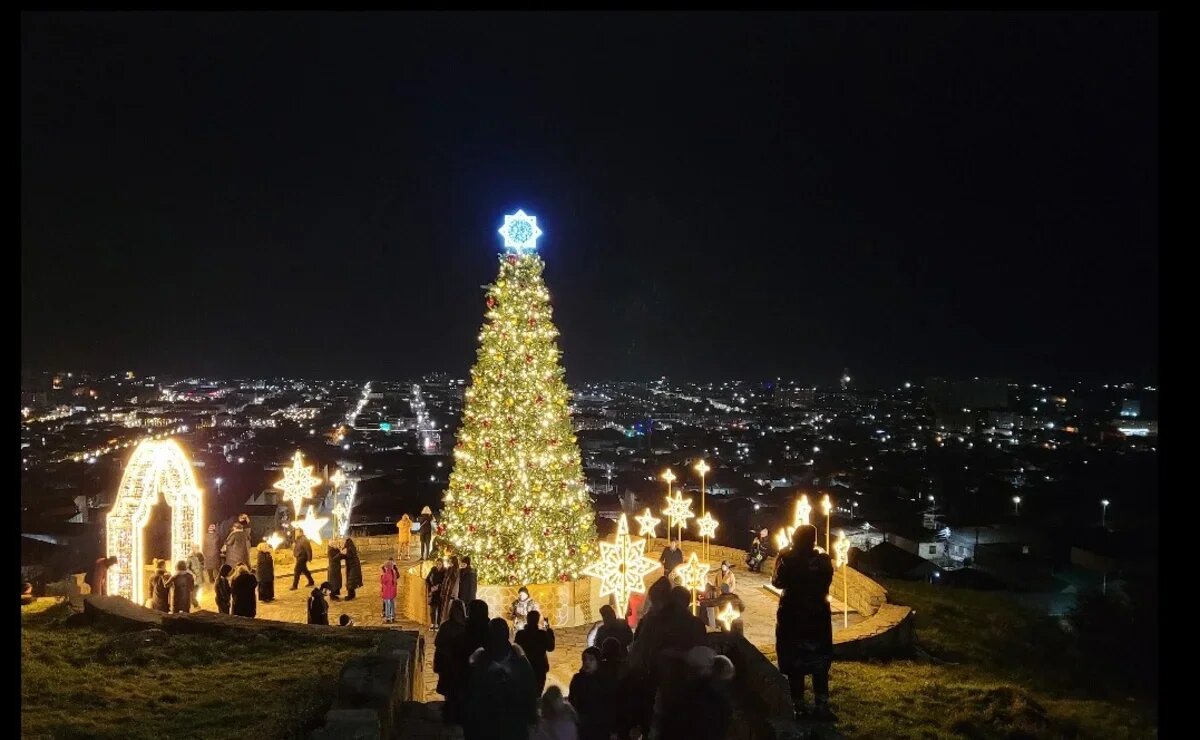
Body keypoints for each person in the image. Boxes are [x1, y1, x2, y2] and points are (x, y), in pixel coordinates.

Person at [773, 523, 836, 721]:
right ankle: (821, 704)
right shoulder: (823, 560)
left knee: (795, 663)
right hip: (818, 617)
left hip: (794, 618)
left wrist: (780, 557)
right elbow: (827, 579)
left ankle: (798, 705)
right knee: (819, 663)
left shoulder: (788, 559)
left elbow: (777, 582)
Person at [463, 618, 538, 740]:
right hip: (488, 726)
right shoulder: (479, 660)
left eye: (499, 634)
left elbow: (529, 689)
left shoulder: (518, 659)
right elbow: (471, 695)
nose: (497, 639)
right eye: (495, 635)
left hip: (512, 726)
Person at [434, 599, 468, 721]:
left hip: (452, 664)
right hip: (453, 664)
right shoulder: (463, 627)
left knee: (452, 691)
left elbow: (438, 642)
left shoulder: (448, 626)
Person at [568, 647, 608, 740]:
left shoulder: (603, 680)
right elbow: (572, 699)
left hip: (599, 725)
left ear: (598, 662)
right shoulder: (577, 679)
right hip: (581, 724)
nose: (587, 662)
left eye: (591, 659)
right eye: (584, 659)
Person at [514, 609, 555, 697]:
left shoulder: (520, 634)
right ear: (537, 620)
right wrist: (549, 631)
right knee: (537, 695)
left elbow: (516, 651)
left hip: (524, 669)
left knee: (524, 695)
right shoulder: (542, 634)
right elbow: (551, 648)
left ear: (527, 619)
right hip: (539, 669)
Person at [439, 555, 461, 622]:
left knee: (448, 610)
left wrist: (454, 594)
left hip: (451, 593)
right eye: (449, 561)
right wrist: (442, 591)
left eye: (451, 561)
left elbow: (456, 583)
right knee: (444, 610)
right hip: (446, 593)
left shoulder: (456, 571)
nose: (450, 563)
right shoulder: (449, 569)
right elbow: (445, 581)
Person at [425, 558, 445, 628]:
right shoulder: (433, 569)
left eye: (440, 564)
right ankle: (433, 623)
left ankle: (438, 624)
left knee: (439, 609)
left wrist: (438, 587)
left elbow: (445, 582)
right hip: (433, 592)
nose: (438, 566)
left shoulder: (444, 571)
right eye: (437, 564)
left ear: (442, 564)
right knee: (432, 609)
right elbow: (427, 579)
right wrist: (431, 587)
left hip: (440, 593)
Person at [380, 557, 400, 623]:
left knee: (387, 605)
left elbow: (382, 581)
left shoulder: (386, 574)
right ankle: (393, 617)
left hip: (387, 592)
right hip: (393, 591)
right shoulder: (394, 572)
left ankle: (388, 618)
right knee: (392, 604)